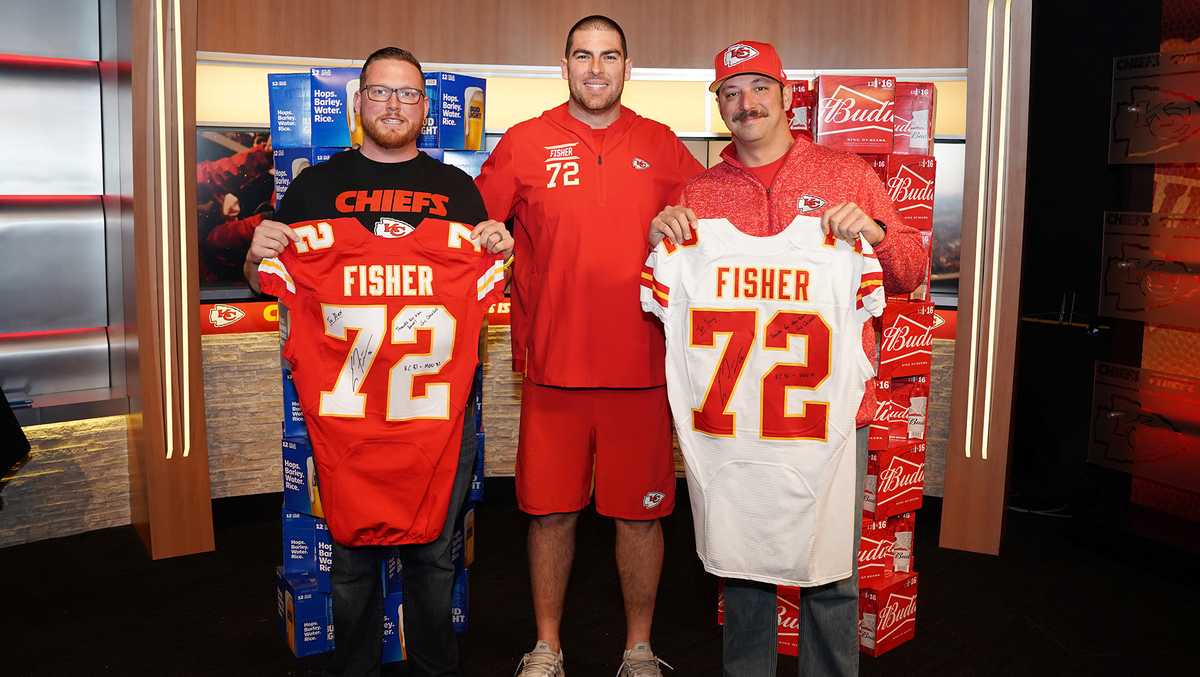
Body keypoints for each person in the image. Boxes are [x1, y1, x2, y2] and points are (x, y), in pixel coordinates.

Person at [649, 41, 924, 677]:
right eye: (731, 93)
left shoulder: (846, 174)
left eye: (759, 89)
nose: (747, 104)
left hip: (822, 418)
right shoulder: (699, 193)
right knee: (743, 575)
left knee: (831, 575)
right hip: (736, 423)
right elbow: (672, 293)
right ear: (718, 105)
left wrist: (875, 233)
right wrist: (663, 238)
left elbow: (909, 271)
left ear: (786, 95)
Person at [244, 46, 512, 677]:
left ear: (424, 107)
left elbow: (493, 281)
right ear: (358, 104)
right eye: (380, 92)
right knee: (351, 562)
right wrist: (259, 254)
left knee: (436, 558)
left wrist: (502, 251)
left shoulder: (456, 189)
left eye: (408, 94)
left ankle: (435, 669)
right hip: (350, 416)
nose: (393, 104)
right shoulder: (314, 186)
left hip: (436, 418)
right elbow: (267, 281)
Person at [473, 15, 704, 677]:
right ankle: (547, 644)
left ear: (628, 66)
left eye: (609, 56)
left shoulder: (663, 146)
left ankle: (637, 646)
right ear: (565, 64)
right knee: (549, 514)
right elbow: (474, 228)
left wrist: (683, 224)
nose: (596, 68)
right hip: (553, 370)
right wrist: (490, 236)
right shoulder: (524, 142)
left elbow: (712, 226)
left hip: (641, 368)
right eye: (583, 55)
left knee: (640, 518)